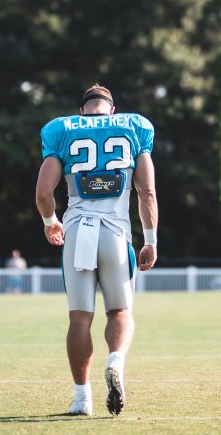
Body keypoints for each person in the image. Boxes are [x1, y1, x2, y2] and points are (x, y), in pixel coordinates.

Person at [35, 84, 158, 417]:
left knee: (79, 318)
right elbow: (146, 192)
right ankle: (115, 360)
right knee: (119, 312)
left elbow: (44, 191)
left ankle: (81, 399)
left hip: (77, 232)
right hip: (116, 233)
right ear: (112, 110)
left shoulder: (61, 129)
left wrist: (51, 222)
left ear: (81, 112)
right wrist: (151, 240)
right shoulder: (134, 127)